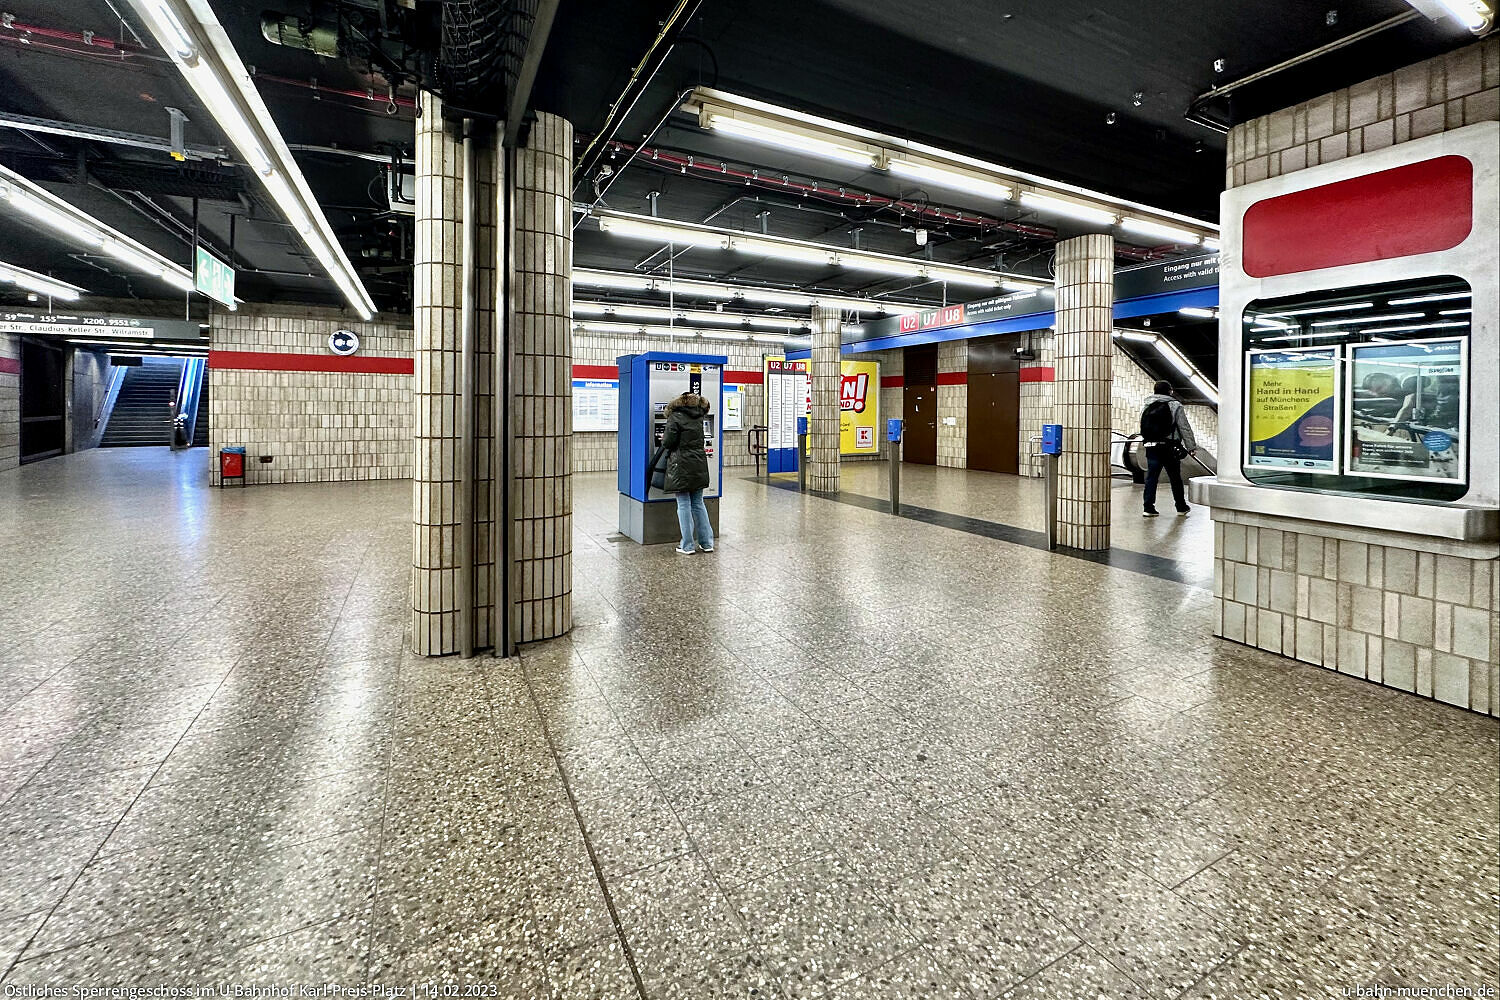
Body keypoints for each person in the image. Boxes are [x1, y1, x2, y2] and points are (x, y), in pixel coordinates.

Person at [660, 391, 715, 554]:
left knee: (683, 504)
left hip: (681, 464)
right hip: (698, 463)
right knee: (698, 503)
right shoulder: (699, 416)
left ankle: (687, 545)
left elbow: (668, 442)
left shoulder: (675, 417)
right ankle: (707, 543)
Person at [1139, 380, 1197, 518]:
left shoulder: (1147, 404)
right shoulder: (1175, 405)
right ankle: (1181, 507)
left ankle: (1148, 508)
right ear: (1170, 391)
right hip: (1169, 447)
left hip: (1151, 446)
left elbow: (1143, 425)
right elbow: (1184, 427)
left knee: (1151, 477)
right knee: (1175, 477)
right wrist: (1191, 447)